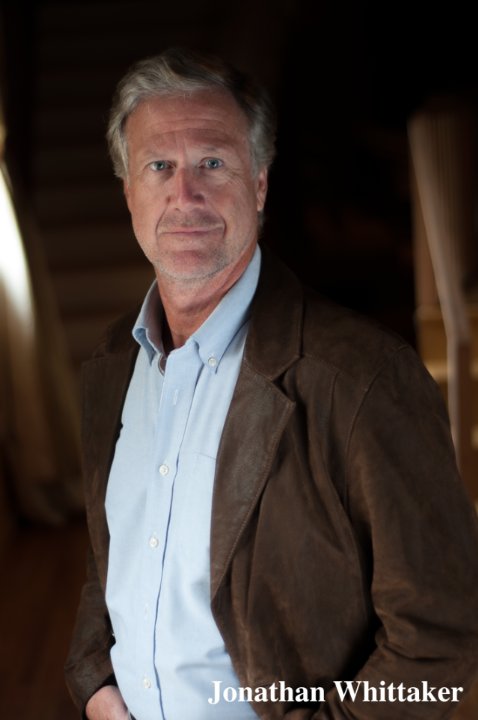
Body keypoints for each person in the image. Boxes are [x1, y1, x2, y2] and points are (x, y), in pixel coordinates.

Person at [65, 47, 478, 720]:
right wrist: (93, 682)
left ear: (258, 184)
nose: (184, 195)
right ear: (128, 191)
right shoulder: (112, 364)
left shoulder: (362, 378)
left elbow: (443, 633)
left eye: (213, 163)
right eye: (159, 167)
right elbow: (110, 554)